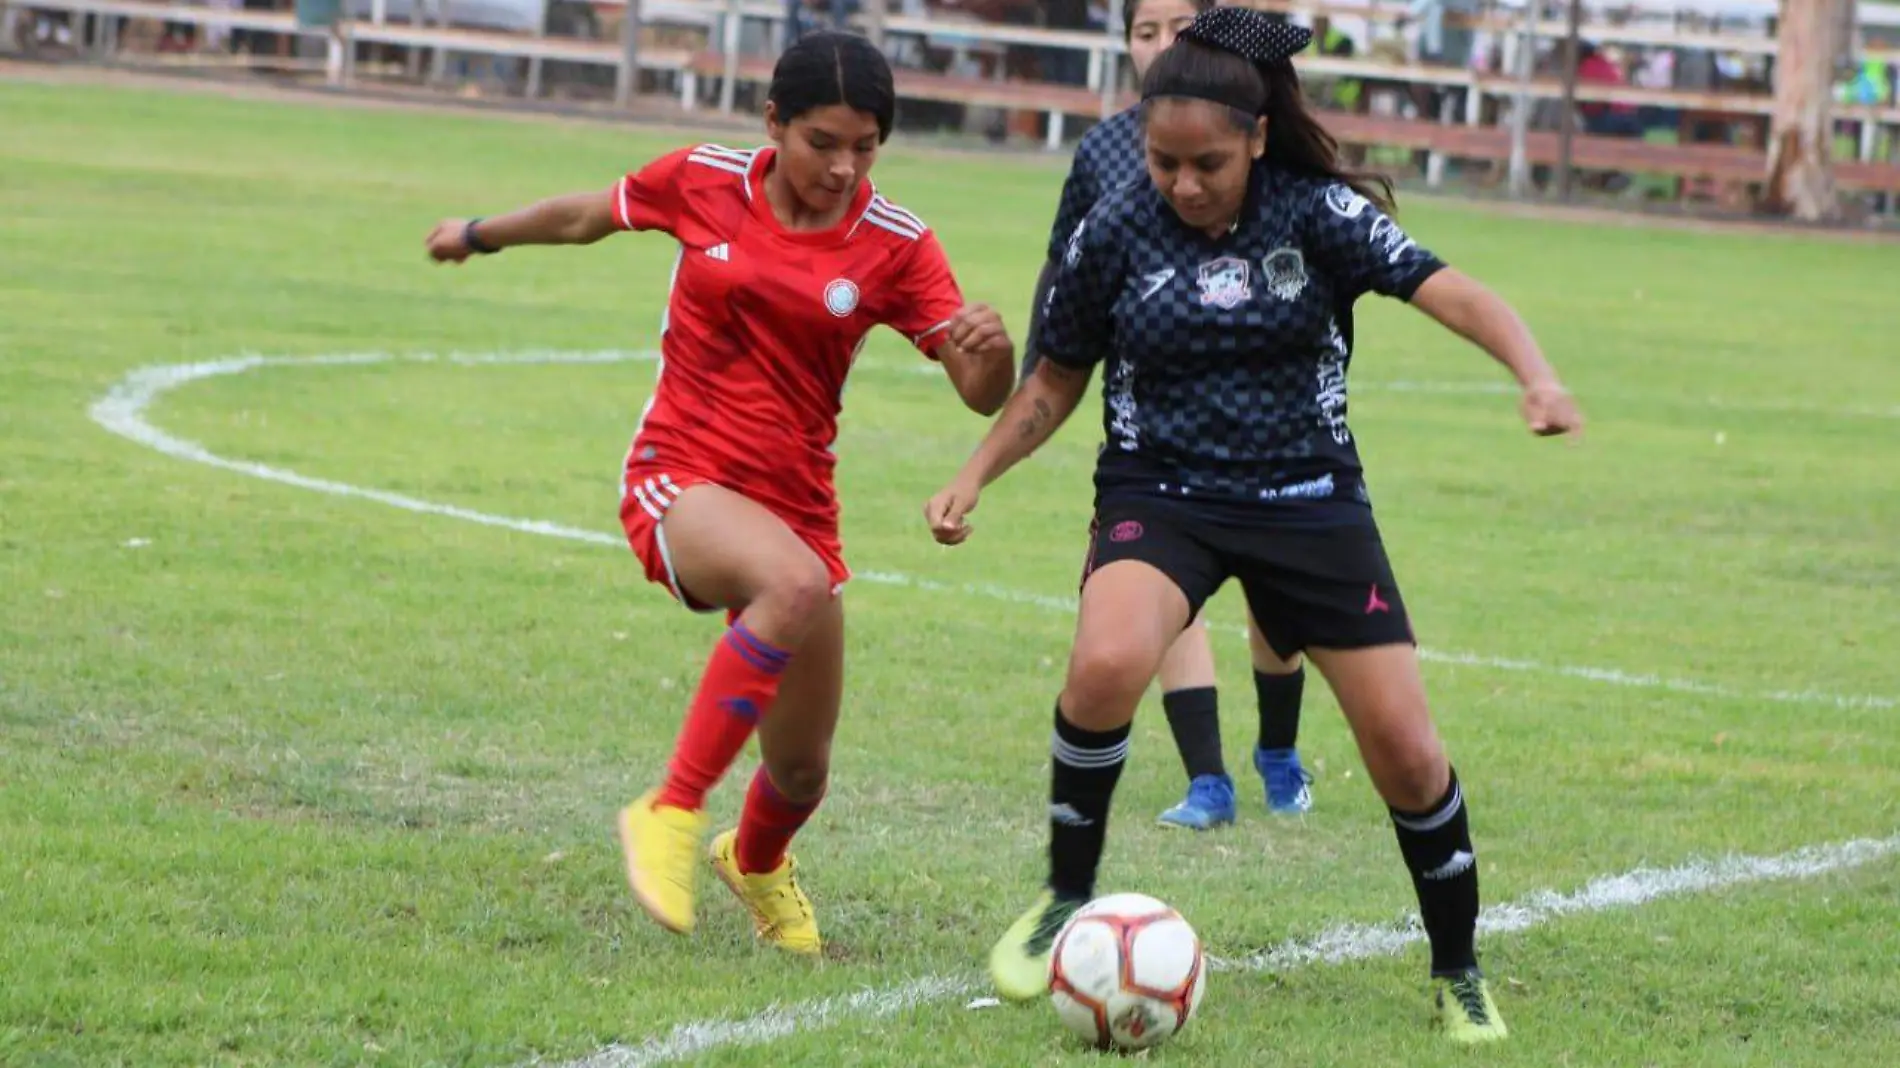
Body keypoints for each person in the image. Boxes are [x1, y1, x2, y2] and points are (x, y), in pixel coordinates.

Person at [925, 7, 1583, 1043]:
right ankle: (1064, 897)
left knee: (1406, 752)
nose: (1184, 184)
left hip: (1308, 501)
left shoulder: (1315, 212)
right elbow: (1055, 377)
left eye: (1209, 164)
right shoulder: (1116, 226)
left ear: (1258, 139)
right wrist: (974, 475)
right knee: (1103, 666)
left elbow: (1449, 290)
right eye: (1164, 161)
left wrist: (1536, 375)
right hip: (1161, 492)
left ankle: (1456, 969)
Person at [425, 31, 1016, 957]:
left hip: (797, 508)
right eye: (822, 141)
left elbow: (980, 392)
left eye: (866, 147)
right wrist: (477, 234)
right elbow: (588, 215)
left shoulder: (896, 245)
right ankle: (670, 808)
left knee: (802, 767)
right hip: (681, 476)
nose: (843, 166)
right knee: (791, 587)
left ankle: (758, 861)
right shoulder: (704, 180)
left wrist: (993, 354)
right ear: (772, 121)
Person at [1021, 0, 1314, 833]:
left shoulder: (1258, 136)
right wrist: (1041, 367)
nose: (1158, 46)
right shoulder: (1106, 149)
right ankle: (1209, 779)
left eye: (1174, 29)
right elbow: (1064, 263)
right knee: (1161, 586)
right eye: (1142, 32)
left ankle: (1279, 753)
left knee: (1275, 592)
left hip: (1267, 400)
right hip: (1154, 408)